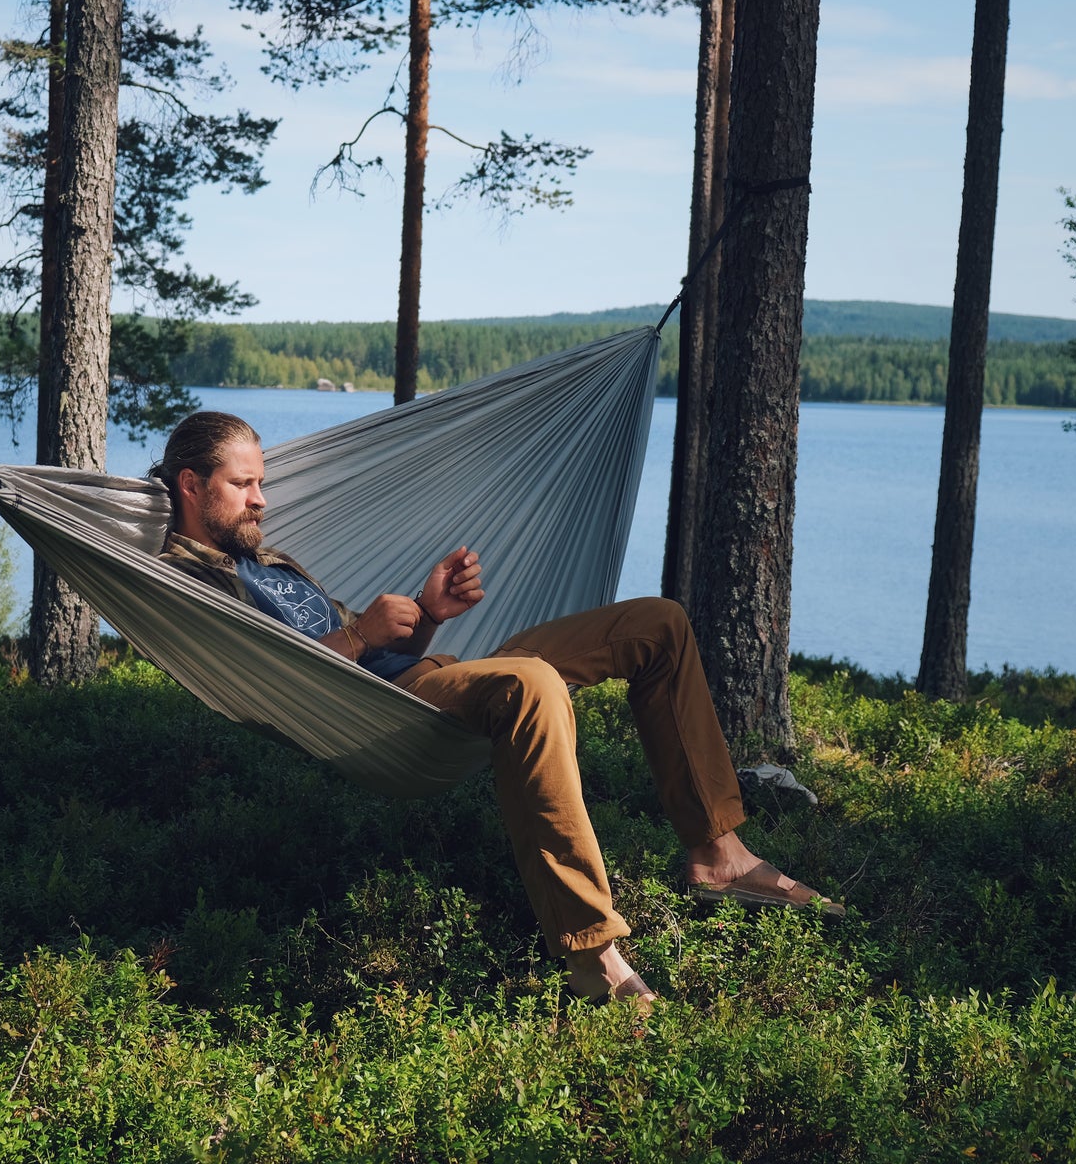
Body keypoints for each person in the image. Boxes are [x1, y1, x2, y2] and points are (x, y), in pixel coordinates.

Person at [153, 411, 839, 1006]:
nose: (262, 500)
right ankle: (591, 951)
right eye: (243, 484)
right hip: (395, 710)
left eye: (262, 482)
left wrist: (426, 615)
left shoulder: (265, 557)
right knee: (532, 684)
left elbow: (367, 647)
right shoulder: (187, 583)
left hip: (437, 674)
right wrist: (361, 633)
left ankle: (718, 854)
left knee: (656, 623)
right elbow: (284, 682)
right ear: (190, 485)